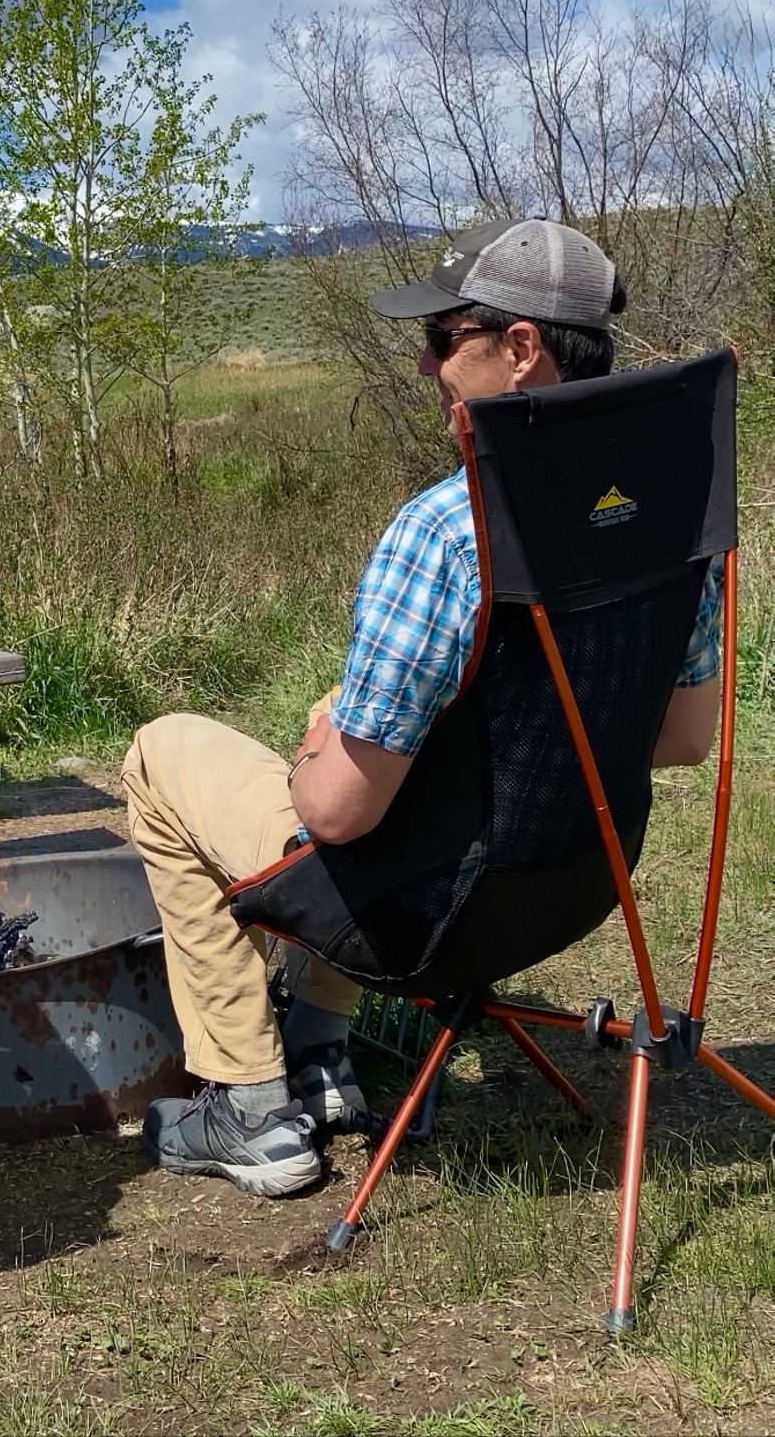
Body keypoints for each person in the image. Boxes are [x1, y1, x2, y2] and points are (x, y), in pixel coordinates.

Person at [124, 220, 722, 1198]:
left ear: (519, 348)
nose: (424, 365)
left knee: (162, 755)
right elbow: (686, 739)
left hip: (428, 914)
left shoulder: (447, 529)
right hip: (573, 884)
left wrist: (315, 756)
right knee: (350, 710)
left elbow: (336, 815)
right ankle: (319, 1053)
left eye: (444, 339)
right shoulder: (676, 509)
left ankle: (251, 1105)